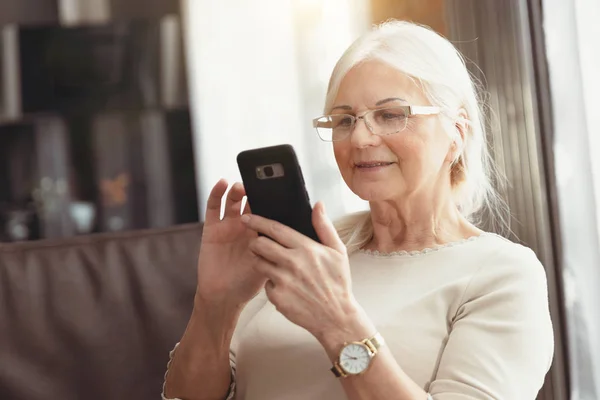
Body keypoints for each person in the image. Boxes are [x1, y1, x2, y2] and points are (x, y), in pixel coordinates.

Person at [162, 20, 554, 400]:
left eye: (391, 115)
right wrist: (216, 304)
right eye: (345, 120)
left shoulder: (503, 274)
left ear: (457, 133)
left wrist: (337, 321)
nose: (361, 138)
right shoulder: (310, 250)